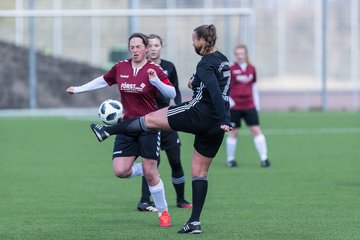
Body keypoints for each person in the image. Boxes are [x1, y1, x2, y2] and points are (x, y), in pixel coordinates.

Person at [90, 24, 232, 234]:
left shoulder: (205, 63)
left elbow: (213, 90)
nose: (192, 43)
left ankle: (106, 131)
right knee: (200, 173)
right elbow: (218, 86)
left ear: (203, 40)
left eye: (194, 39)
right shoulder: (222, 59)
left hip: (199, 113)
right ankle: (194, 222)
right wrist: (219, 113)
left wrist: (225, 117)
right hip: (214, 127)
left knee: (149, 119)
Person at [66, 33, 175, 228]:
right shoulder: (121, 67)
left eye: (138, 47)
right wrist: (79, 89)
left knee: (151, 173)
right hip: (126, 126)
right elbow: (102, 80)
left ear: (146, 49)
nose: (135, 50)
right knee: (120, 171)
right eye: (132, 47)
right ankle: (151, 170)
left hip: (149, 126)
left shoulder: (154, 69)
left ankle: (163, 212)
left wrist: (156, 81)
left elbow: (172, 92)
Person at [136, 34, 192, 212]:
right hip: (149, 121)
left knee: (175, 161)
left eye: (156, 45)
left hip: (167, 120)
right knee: (151, 164)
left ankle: (181, 199)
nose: (152, 48)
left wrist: (179, 108)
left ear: (161, 47)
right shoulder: (140, 67)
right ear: (145, 48)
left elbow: (175, 90)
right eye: (150, 45)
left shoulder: (169, 67)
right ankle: (145, 201)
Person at [226, 44, 271, 168]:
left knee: (256, 130)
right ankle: (230, 160)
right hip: (234, 107)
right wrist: (229, 101)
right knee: (233, 132)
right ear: (235, 55)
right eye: (238, 54)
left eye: (242, 53)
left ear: (246, 54)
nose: (240, 56)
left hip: (249, 105)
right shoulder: (230, 69)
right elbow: (224, 87)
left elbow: (254, 87)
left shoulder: (252, 68)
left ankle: (264, 159)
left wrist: (257, 104)